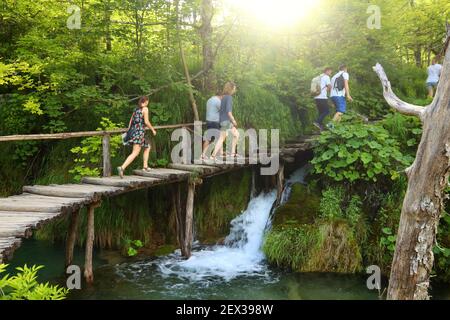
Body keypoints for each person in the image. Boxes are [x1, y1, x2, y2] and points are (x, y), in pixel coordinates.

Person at [117, 96, 157, 178]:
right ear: (145, 101)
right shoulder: (145, 109)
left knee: (147, 146)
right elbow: (146, 121)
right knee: (135, 152)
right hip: (139, 132)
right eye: (147, 101)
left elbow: (131, 121)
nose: (148, 103)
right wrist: (153, 130)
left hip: (134, 131)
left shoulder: (136, 109)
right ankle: (122, 168)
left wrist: (129, 131)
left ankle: (145, 166)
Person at [211, 82, 239, 159]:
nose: (235, 90)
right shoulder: (229, 98)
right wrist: (233, 120)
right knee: (223, 138)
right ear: (231, 88)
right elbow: (228, 112)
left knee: (236, 134)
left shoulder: (223, 97)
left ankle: (232, 153)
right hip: (226, 121)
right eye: (234, 88)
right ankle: (213, 155)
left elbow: (221, 110)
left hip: (222, 120)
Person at [201, 93, 223, 160]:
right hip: (215, 122)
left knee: (208, 139)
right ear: (220, 96)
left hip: (208, 121)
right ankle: (214, 156)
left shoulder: (209, 100)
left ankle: (203, 155)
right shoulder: (218, 101)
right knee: (219, 139)